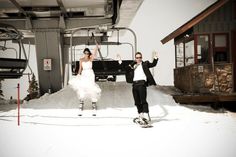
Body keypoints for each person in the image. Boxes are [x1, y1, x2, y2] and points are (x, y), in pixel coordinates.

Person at [126, 51, 158, 124]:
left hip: (142, 84)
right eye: (137, 58)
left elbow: (153, 64)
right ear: (135, 58)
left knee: (143, 100)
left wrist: (155, 58)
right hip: (134, 85)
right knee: (137, 101)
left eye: (140, 57)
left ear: (141, 58)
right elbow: (126, 69)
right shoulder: (133, 65)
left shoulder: (145, 64)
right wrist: (120, 61)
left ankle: (146, 115)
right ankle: (140, 115)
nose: (139, 59)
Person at [69, 44, 101, 116]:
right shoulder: (81, 60)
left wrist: (96, 47)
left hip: (90, 73)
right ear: (84, 53)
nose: (86, 54)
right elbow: (80, 68)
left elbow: (95, 54)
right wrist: (78, 75)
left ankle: (94, 104)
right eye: (85, 53)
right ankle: (81, 103)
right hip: (84, 74)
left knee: (91, 88)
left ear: (89, 53)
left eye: (87, 53)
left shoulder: (91, 58)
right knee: (83, 88)